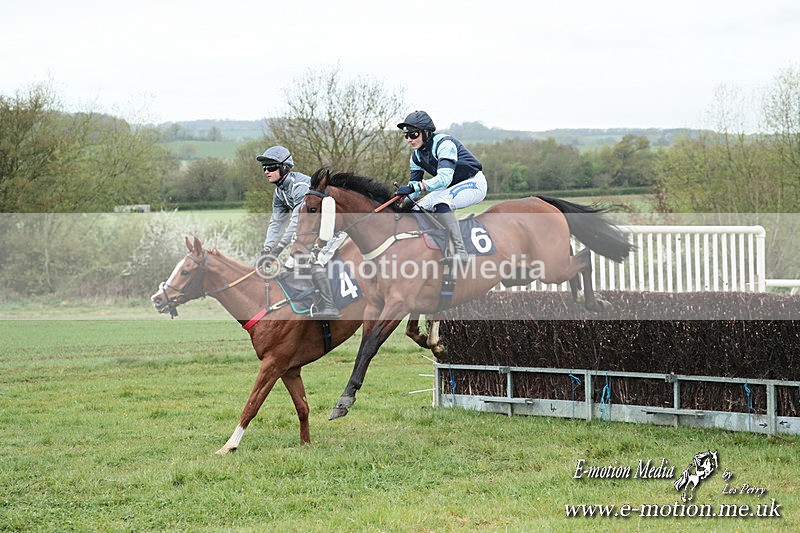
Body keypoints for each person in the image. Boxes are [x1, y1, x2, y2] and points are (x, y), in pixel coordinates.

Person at [256, 145, 339, 319]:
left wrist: (278, 248)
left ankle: (330, 306)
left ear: (284, 167)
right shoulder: (280, 192)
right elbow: (276, 222)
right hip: (311, 233)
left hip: (331, 229)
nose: (266, 171)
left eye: (271, 167)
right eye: (264, 168)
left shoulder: (300, 186)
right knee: (290, 268)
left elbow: (296, 223)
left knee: (314, 261)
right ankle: (309, 303)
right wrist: (267, 249)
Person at [395, 110, 487, 262]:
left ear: (426, 133)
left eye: (413, 134)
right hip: (450, 187)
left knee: (440, 203)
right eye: (406, 136)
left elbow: (444, 179)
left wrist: (413, 188)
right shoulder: (416, 156)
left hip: (473, 182)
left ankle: (461, 251)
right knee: (415, 208)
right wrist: (399, 201)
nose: (409, 140)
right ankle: (433, 246)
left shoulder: (445, 144)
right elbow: (413, 190)